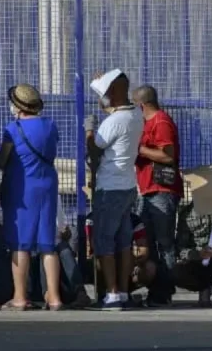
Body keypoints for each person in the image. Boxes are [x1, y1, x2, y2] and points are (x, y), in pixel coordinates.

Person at [0, 84, 62, 311]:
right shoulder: (50, 125)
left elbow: (2, 160)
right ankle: (54, 297)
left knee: (21, 244)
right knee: (48, 244)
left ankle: (19, 296)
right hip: (47, 185)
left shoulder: (12, 129)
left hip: (21, 187)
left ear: (17, 106)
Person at [84, 70, 143, 311]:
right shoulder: (135, 114)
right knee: (123, 242)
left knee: (104, 241)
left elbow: (94, 148)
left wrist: (89, 129)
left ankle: (111, 294)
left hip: (110, 187)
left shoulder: (113, 122)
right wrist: (100, 86)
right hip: (128, 185)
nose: (104, 96)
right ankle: (124, 292)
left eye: (108, 91)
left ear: (116, 92)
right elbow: (111, 107)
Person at [132, 85, 182, 306]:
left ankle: (163, 290)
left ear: (142, 105)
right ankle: (157, 289)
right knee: (149, 243)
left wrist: (139, 150)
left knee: (164, 243)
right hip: (147, 190)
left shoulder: (161, 122)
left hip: (161, 191)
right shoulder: (146, 123)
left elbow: (168, 156)